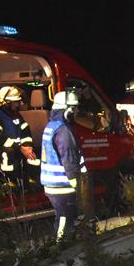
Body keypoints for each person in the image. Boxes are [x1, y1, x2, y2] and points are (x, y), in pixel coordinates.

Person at [41, 90, 87, 242]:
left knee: (64, 218)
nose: (75, 113)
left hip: (53, 183)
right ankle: (58, 248)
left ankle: (65, 245)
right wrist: (76, 183)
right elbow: (69, 159)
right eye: (73, 109)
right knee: (64, 219)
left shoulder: (52, 125)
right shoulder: (63, 130)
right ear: (67, 110)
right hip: (62, 184)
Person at [0, 85, 39, 186]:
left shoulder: (16, 114)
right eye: (16, 102)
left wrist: (27, 146)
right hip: (6, 152)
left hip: (18, 148)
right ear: (7, 103)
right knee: (8, 153)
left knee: (34, 154)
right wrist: (20, 147)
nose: (19, 104)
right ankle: (9, 182)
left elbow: (25, 130)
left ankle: (33, 181)